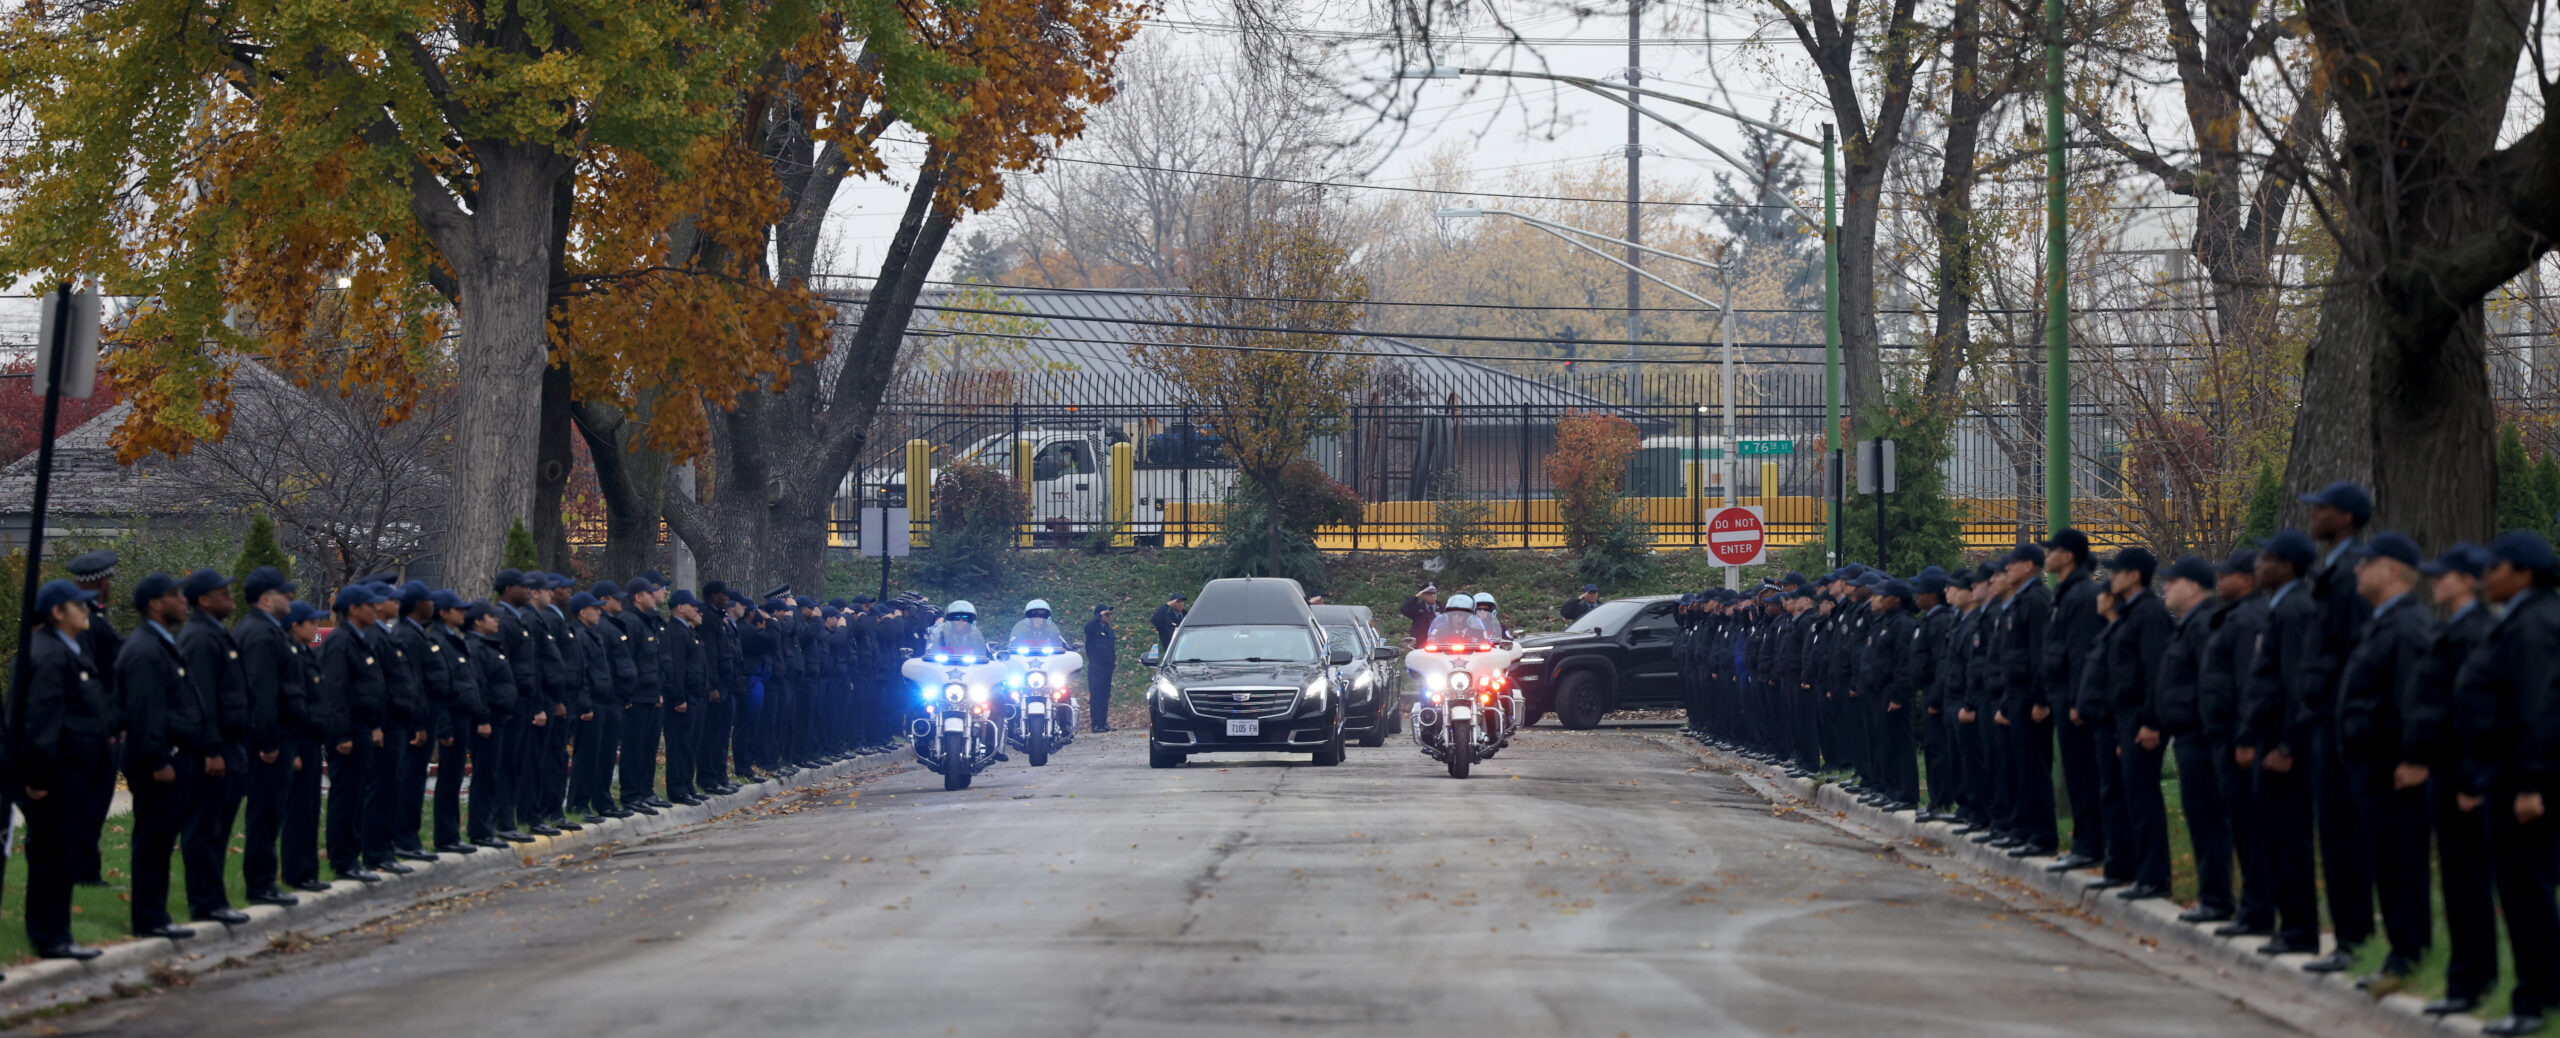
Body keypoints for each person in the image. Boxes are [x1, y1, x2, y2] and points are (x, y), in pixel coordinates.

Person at [2453, 531, 2560, 1038]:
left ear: (2523, 573)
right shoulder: (2521, 618)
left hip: (2522, 782)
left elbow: (2538, 708)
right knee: (2520, 891)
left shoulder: (2535, 625)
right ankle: (2540, 992)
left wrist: (2531, 784)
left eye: (2494, 567)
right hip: (2505, 776)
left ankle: (2534, 1001)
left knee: (2526, 893)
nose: (2485, 576)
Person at [2333, 530, 2434, 986]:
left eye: (2366, 563)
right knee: (2387, 864)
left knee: (2401, 864)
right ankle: (2400, 953)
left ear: (2392, 570)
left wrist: (2414, 757)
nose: (2357, 569)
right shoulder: (2382, 621)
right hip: (2372, 766)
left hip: (2395, 769)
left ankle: (2408, 958)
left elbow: (2414, 697)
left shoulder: (2407, 625)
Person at [2416, 544, 2497, 1017]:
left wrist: (2470, 781)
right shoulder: (2455, 627)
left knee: (2467, 882)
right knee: (2456, 880)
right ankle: (2465, 975)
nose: (2435, 582)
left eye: (2443, 575)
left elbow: (2477, 711)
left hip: (2463, 776)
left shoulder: (2476, 631)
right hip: (2445, 771)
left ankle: (2472, 980)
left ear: (2467, 579)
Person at [15, 579, 110, 960]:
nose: (87, 610)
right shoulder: (51, 654)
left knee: (63, 856)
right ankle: (50, 936)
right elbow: (42, 721)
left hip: (73, 775)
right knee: (52, 859)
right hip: (54, 780)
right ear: (57, 612)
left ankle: (59, 933)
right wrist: (37, 780)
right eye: (79, 605)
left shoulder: (66, 650)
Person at [2240, 528, 2322, 957]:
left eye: (2266, 558)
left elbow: (2296, 684)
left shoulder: (2294, 611)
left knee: (2289, 838)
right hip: (2270, 738)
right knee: (2274, 836)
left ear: (2287, 566)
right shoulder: (2281, 606)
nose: (2258, 564)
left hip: (2284, 745)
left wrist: (2287, 745)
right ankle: (2288, 924)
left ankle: (2300, 930)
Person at [119, 572, 201, 939]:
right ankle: (149, 918)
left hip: (171, 754)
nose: (183, 602)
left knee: (162, 840)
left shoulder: (161, 642)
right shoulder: (146, 648)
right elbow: (145, 710)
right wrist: (159, 760)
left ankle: (156, 914)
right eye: (174, 596)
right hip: (158, 759)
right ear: (155, 603)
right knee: (153, 841)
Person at [169, 567, 251, 925]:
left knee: (218, 828)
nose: (231, 598)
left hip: (228, 746)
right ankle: (204, 901)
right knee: (205, 829)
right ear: (204, 599)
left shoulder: (215, 633)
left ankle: (214, 897)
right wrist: (212, 749)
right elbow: (201, 700)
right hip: (209, 752)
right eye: (223, 592)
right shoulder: (200, 638)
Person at [2100, 548, 2172, 902]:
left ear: (2134, 576)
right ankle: (2134, 871)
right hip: (2127, 718)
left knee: (2144, 797)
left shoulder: (2149, 614)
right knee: (2130, 795)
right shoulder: (2129, 614)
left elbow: (2155, 672)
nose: (2112, 576)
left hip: (2142, 719)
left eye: (2117, 570)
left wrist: (2150, 722)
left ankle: (2154, 876)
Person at [2040, 528, 2110, 877]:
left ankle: (2088, 846)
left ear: (2068, 556)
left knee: (2083, 775)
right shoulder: (2065, 592)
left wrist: (2077, 702)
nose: (2046, 555)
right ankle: (2086, 843)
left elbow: (2082, 652)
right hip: (2063, 696)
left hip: (2074, 700)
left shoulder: (2081, 594)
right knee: (2077, 772)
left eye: (2051, 549)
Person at [231, 567, 304, 907]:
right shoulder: (260, 634)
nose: (289, 597)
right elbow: (262, 692)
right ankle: (259, 883)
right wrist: (268, 742)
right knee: (264, 813)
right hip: (268, 742)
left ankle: (264, 878)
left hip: (277, 737)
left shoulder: (267, 631)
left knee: (271, 812)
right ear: (264, 599)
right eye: (283, 593)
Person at [320, 584, 391, 879]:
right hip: (348, 732)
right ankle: (343, 859)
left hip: (362, 728)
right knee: (345, 797)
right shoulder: (341, 641)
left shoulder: (359, 640)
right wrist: (342, 735)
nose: (375, 609)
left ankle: (353, 855)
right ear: (353, 609)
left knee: (356, 795)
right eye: (368, 605)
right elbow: (335, 691)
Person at [64, 550, 120, 889]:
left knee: (95, 803)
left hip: (104, 725)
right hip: (97, 728)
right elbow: (93, 678)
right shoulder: (88, 623)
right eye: (109, 579)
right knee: (89, 803)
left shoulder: (97, 618)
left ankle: (86, 868)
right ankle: (83, 870)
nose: (111, 584)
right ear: (100, 582)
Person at [429, 592, 489, 854]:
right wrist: (444, 727)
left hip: (463, 717)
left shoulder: (455, 639)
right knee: (449, 779)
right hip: (451, 720)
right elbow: (441, 688)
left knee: (454, 779)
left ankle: (452, 834)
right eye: (457, 609)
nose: (462, 613)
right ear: (443, 613)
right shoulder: (439, 640)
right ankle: (446, 836)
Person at [1084, 604, 1117, 733]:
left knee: (1104, 695)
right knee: (1096, 695)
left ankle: (1103, 722)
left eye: (1109, 615)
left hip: (1107, 667)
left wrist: (1113, 661)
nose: (1109, 617)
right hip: (1096, 666)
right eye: (1106, 615)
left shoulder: (1108, 629)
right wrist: (1098, 615)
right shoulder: (1093, 628)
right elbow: (1086, 627)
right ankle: (1096, 724)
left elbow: (1111, 647)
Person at [926, 600, 993, 658]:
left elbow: (983, 659)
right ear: (950, 620)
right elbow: (930, 655)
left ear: (970, 621)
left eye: (965, 618)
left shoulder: (976, 639)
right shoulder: (939, 636)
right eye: (957, 618)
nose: (960, 621)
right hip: (943, 669)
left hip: (970, 670)